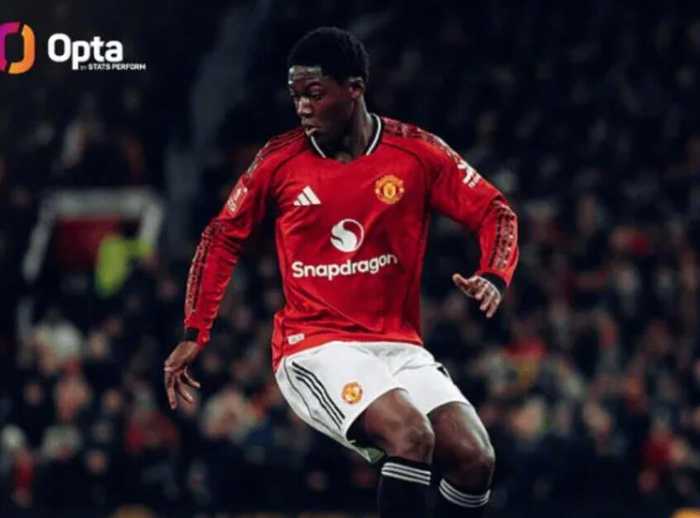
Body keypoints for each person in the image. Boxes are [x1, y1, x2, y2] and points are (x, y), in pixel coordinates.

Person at [164, 27, 518, 518]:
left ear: (354, 88)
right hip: (314, 346)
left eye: (314, 94)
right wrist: (195, 330)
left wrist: (494, 273)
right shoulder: (279, 161)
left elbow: (495, 211)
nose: (303, 108)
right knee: (411, 435)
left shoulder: (415, 154)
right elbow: (220, 237)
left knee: (475, 457)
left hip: (398, 346)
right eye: (295, 97)